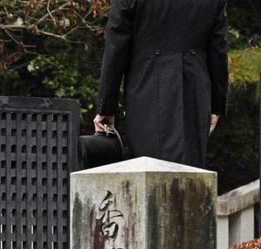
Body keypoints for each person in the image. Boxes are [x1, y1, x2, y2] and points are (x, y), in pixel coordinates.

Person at [94, 0, 229, 168]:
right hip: (194, 94)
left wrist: (106, 107)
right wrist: (216, 105)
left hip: (146, 90)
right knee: (191, 175)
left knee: (149, 171)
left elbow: (116, 47)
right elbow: (218, 49)